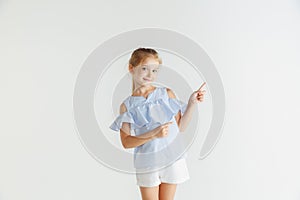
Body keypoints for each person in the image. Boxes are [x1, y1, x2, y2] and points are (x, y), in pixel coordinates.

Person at [109, 47, 206, 200]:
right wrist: (153, 134)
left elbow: (180, 127)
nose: (150, 75)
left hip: (172, 158)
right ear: (131, 68)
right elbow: (126, 142)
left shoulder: (166, 94)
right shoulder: (127, 106)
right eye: (145, 69)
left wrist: (192, 103)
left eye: (154, 70)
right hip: (147, 163)